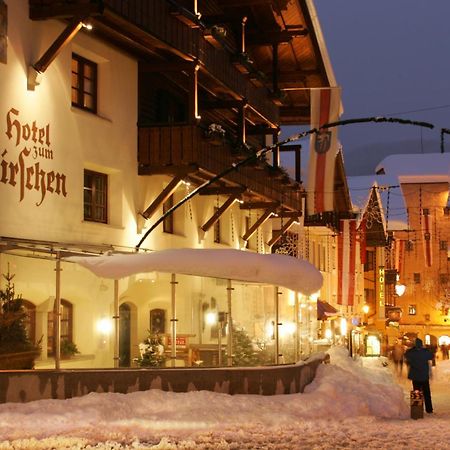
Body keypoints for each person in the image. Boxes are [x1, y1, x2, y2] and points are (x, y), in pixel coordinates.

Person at [404, 337, 434, 414]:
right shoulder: (425, 352)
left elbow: (406, 354)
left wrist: (413, 348)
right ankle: (429, 409)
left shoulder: (411, 352)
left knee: (416, 392)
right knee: (427, 393)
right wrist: (425, 349)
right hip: (424, 376)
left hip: (415, 376)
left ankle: (417, 409)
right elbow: (431, 356)